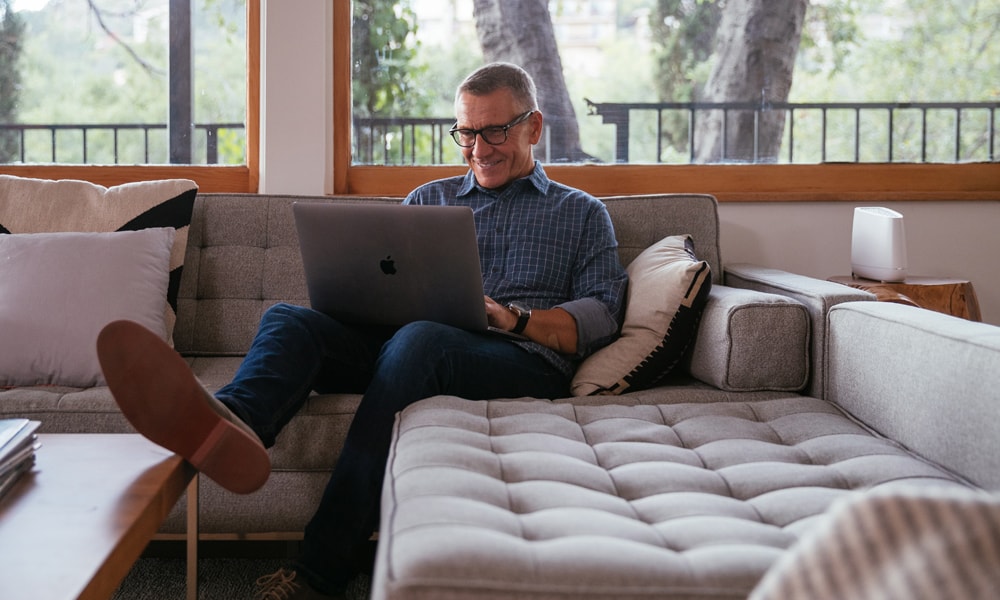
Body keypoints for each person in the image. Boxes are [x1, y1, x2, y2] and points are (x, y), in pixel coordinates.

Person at [97, 62, 628, 600]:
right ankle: (234, 425)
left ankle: (319, 571)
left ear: (533, 127)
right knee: (290, 319)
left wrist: (510, 316)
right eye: (466, 133)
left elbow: (603, 316)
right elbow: (387, 287)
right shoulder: (428, 200)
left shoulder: (581, 213)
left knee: (420, 339)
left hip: (517, 358)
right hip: (409, 345)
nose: (479, 148)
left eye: (495, 131)